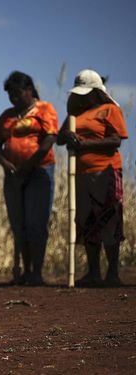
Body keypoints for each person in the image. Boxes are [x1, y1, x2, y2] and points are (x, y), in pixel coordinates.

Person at [57, 69, 129, 287]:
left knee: (110, 218)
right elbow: (60, 138)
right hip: (80, 174)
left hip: (106, 171)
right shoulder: (75, 114)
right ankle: (94, 272)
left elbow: (116, 140)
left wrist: (85, 144)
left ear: (95, 91)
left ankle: (113, 273)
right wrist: (68, 135)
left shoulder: (109, 109)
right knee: (88, 222)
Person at [0, 71, 59, 286]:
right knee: (18, 223)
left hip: (39, 172)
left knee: (36, 223)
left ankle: (36, 272)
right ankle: (25, 270)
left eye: (18, 93)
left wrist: (29, 166)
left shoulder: (44, 109)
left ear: (29, 90)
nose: (14, 98)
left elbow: (49, 140)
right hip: (13, 176)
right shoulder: (7, 116)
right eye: (10, 94)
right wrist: (6, 164)